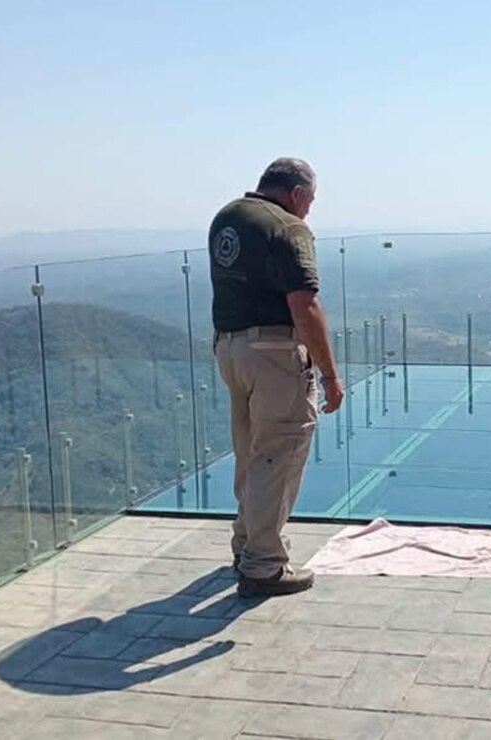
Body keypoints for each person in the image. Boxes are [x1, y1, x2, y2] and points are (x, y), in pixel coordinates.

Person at [209, 157, 345, 597]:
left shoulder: (228, 217)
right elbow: (305, 305)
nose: (308, 210)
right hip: (273, 353)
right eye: (310, 201)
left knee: (250, 451)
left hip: (229, 348)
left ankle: (246, 543)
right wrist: (329, 375)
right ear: (297, 193)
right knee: (280, 452)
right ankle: (264, 565)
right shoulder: (288, 227)